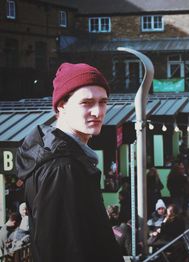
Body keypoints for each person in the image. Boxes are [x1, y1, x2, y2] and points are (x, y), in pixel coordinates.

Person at [16, 62, 124, 262]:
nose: (98, 112)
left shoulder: (64, 160)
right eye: (87, 103)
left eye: (103, 102)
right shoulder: (62, 168)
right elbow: (62, 250)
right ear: (61, 106)